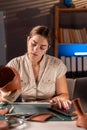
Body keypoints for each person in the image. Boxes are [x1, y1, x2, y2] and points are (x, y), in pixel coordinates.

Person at [6, 25, 71, 110]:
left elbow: (64, 95)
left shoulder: (57, 65)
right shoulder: (14, 65)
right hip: (25, 110)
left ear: (47, 48)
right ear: (28, 40)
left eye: (42, 47)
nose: (36, 49)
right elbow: (3, 97)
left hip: (50, 109)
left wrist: (59, 99)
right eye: (33, 44)